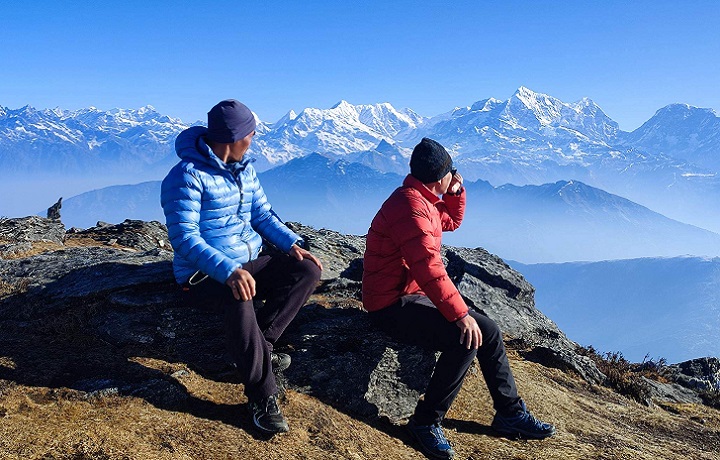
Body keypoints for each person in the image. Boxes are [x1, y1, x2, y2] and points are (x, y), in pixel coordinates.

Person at [362, 138, 555, 459]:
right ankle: (425, 422)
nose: (455, 176)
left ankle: (509, 412)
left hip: (410, 294)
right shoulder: (410, 207)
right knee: (465, 336)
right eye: (452, 172)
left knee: (488, 330)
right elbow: (427, 266)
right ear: (439, 176)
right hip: (390, 304)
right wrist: (459, 314)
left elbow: (449, 222)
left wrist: (456, 193)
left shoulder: (422, 200)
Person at [161, 99, 322, 435]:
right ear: (231, 138)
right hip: (202, 273)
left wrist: (293, 244)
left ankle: (259, 349)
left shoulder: (244, 168)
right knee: (240, 295)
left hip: (247, 260)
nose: (253, 141)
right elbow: (185, 240)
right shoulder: (185, 178)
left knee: (307, 271)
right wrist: (228, 271)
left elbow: (262, 214)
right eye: (250, 134)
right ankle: (262, 395)